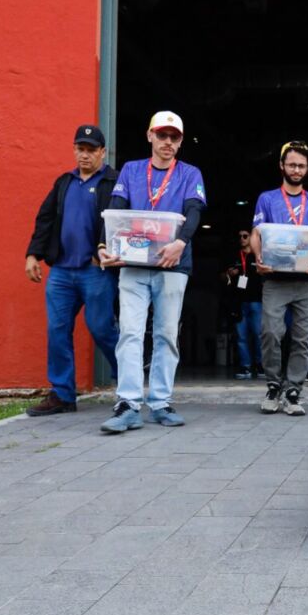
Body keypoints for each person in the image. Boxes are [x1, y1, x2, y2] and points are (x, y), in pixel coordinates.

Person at [98, 111, 208, 433]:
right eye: (162, 135)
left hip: (173, 264)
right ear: (150, 136)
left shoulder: (190, 173)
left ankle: (160, 402)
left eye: (174, 137)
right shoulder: (132, 170)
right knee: (130, 332)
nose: (168, 142)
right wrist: (105, 245)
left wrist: (181, 242)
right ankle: (128, 404)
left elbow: (193, 209)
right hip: (133, 263)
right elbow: (116, 208)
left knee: (166, 334)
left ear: (181, 142)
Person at [24, 124, 120, 417]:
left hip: (96, 271)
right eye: (81, 149)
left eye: (92, 150)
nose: (85, 155)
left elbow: (119, 220)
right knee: (57, 330)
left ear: (102, 152)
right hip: (62, 273)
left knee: (102, 328)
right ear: (74, 150)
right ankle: (64, 395)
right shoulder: (64, 181)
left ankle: (129, 384)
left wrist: (101, 251)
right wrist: (33, 254)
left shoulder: (114, 182)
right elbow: (45, 219)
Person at [251, 141, 308, 416]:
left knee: (302, 337)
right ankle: (273, 385)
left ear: (307, 169)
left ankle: (293, 390)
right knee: (271, 332)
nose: (296, 170)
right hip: (275, 279)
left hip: (306, 281)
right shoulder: (267, 199)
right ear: (281, 166)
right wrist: (258, 259)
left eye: (301, 165)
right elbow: (256, 234)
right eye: (292, 164)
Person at [223, 229, 263, 379]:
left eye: (245, 236)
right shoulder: (233, 256)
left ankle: (260, 365)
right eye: (239, 236)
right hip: (239, 302)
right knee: (241, 336)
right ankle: (245, 366)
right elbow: (221, 275)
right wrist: (228, 274)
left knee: (259, 335)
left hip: (257, 301)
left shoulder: (260, 255)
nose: (242, 239)